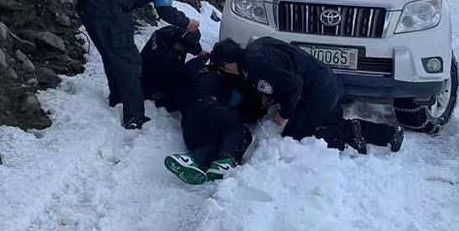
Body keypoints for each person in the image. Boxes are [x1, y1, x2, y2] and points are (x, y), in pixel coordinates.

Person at [210, 37, 404, 154]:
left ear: (227, 65)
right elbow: (285, 69)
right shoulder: (256, 47)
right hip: (325, 79)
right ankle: (387, 134)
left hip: (318, 91)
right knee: (327, 121)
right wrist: (275, 94)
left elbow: (294, 84)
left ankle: (344, 142)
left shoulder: (254, 68)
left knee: (298, 137)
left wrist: (284, 113)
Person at [77, 0, 198, 129]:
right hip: (111, 9)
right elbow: (165, 10)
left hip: (88, 3)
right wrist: (187, 23)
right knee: (130, 61)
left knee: (112, 55)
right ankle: (133, 116)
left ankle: (118, 99)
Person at [164, 57, 254, 185]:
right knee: (240, 130)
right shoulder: (223, 78)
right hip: (212, 109)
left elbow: (171, 99)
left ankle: (192, 159)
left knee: (217, 144)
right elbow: (239, 104)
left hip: (189, 126)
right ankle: (226, 159)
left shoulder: (191, 69)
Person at [140, 25, 202, 113]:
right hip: (148, 82)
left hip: (144, 66)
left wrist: (199, 52)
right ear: (178, 44)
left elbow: (189, 41)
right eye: (185, 49)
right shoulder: (168, 58)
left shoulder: (171, 31)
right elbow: (177, 78)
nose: (185, 51)